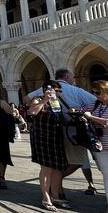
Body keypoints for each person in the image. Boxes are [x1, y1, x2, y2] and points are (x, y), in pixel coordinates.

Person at [26, 68, 98, 197]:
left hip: (57, 133)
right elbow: (96, 102)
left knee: (60, 164)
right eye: (72, 77)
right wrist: (81, 110)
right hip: (72, 133)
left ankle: (57, 189)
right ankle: (55, 186)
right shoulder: (75, 90)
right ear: (66, 77)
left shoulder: (47, 89)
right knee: (76, 161)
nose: (58, 92)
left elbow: (26, 98)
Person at [28, 80, 70, 211]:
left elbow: (60, 119)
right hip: (42, 138)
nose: (57, 93)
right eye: (55, 91)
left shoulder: (56, 102)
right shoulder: (38, 99)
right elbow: (33, 112)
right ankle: (46, 198)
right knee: (47, 168)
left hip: (55, 137)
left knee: (57, 168)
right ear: (46, 90)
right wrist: (45, 100)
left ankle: (56, 196)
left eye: (58, 91)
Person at [83, 80, 108, 212]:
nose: (95, 95)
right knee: (106, 174)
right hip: (100, 146)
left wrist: (91, 117)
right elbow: (84, 110)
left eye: (98, 92)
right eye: (93, 92)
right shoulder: (97, 104)